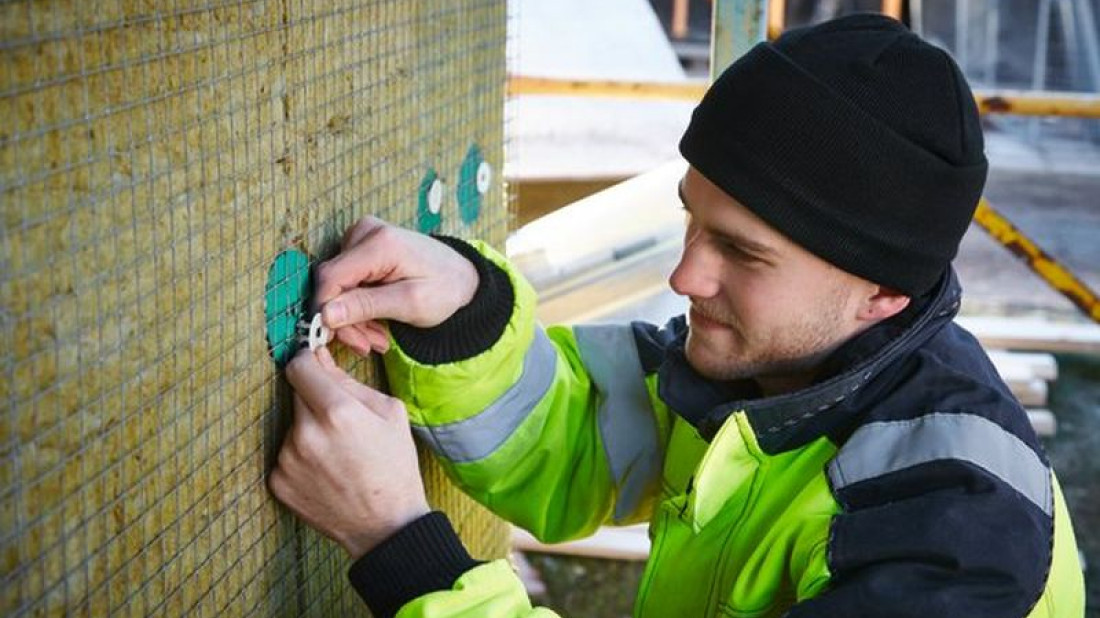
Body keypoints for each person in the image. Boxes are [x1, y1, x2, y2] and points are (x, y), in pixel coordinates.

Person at [267, 14, 1085, 618]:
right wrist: (461, 315)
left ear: (883, 294)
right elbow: (575, 440)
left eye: (743, 252)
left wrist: (402, 550)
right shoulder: (775, 374)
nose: (685, 273)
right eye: (691, 218)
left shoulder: (954, 546)